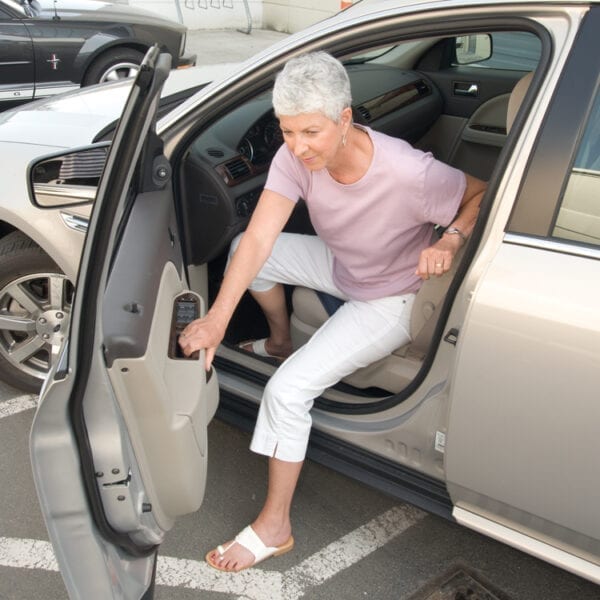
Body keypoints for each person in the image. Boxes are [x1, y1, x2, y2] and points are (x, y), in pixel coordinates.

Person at [178, 51, 486, 572]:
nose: (297, 146)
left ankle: (275, 527)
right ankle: (279, 339)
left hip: (390, 295)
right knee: (245, 258)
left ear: (345, 120)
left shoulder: (409, 173)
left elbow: (478, 194)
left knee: (287, 390)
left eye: (311, 132)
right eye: (287, 130)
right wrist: (217, 319)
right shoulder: (293, 158)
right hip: (345, 265)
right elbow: (258, 238)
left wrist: (450, 240)